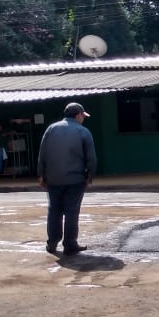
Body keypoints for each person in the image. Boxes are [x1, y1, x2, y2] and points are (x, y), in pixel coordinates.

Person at [37, 102, 97, 256]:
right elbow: (91, 158)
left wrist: (41, 174)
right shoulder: (83, 131)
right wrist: (90, 176)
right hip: (75, 180)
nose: (83, 119)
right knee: (71, 211)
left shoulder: (51, 129)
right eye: (83, 116)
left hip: (53, 179)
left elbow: (42, 153)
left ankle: (52, 242)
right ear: (78, 115)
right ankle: (70, 244)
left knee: (54, 210)